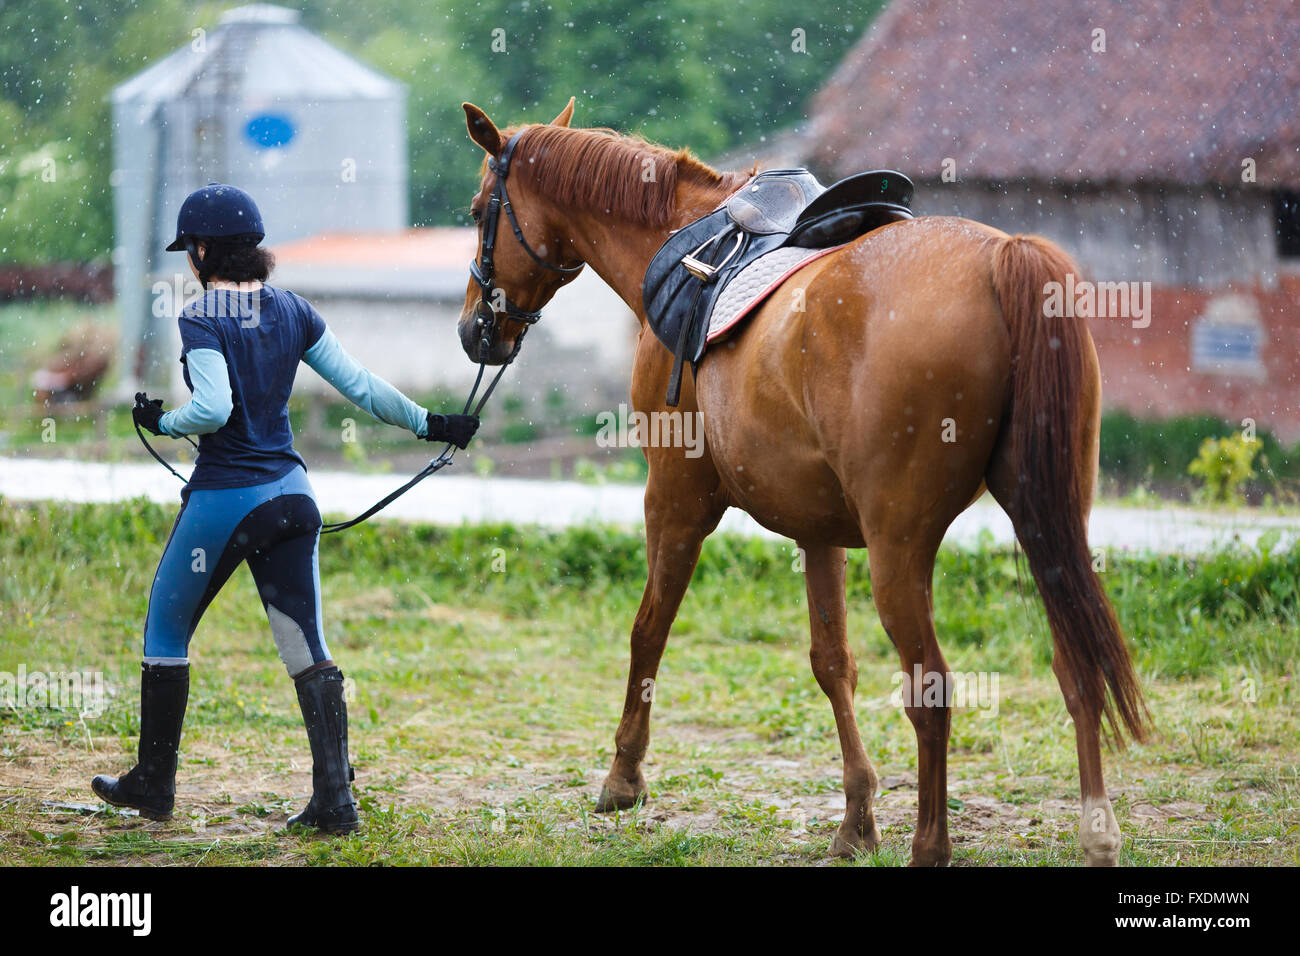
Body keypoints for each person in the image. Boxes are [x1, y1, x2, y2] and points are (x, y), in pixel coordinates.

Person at [91, 183, 479, 834]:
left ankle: (154, 783)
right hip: (293, 499)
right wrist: (431, 422)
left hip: (226, 499)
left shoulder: (203, 316)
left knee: (166, 633)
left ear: (204, 251)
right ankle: (334, 801)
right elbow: (360, 385)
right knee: (307, 651)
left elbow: (212, 409)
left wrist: (162, 422)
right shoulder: (293, 309)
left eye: (191, 249)